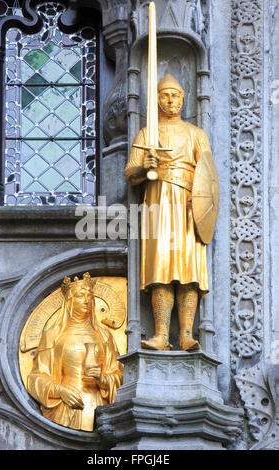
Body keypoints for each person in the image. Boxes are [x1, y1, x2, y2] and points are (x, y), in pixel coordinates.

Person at [125, 74, 212, 352]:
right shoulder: (147, 133)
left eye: (175, 95)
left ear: (184, 99)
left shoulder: (196, 134)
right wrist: (144, 166)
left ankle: (186, 334)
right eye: (164, 94)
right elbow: (131, 173)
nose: (170, 99)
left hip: (189, 207)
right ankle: (161, 334)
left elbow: (209, 176)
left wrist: (200, 204)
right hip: (158, 204)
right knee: (160, 270)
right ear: (157, 98)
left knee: (188, 272)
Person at [27, 273, 123, 431]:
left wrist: (103, 378)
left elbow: (121, 376)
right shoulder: (53, 335)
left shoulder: (105, 336)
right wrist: (60, 391)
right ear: (69, 301)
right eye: (80, 296)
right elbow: (36, 378)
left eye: (89, 296)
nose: (86, 300)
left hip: (98, 406)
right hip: (66, 406)